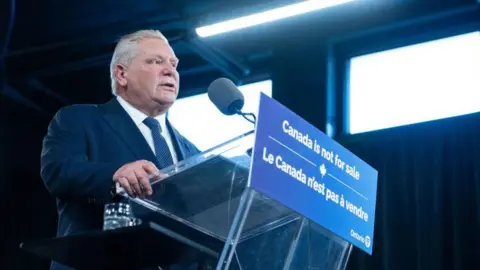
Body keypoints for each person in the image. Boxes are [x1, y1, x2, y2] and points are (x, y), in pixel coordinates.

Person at [40, 29, 201, 270]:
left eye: (173, 64)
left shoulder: (192, 151)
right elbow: (58, 172)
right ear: (121, 74)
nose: (170, 70)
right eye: (155, 61)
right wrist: (115, 175)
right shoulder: (80, 119)